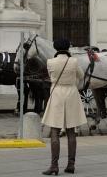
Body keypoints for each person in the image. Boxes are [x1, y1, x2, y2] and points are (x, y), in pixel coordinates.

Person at [41, 39, 87, 175]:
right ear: (68, 47)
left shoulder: (50, 62)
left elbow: (51, 76)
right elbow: (81, 75)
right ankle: (71, 165)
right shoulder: (74, 61)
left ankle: (54, 166)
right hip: (71, 93)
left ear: (55, 48)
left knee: (54, 130)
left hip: (57, 94)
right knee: (71, 130)